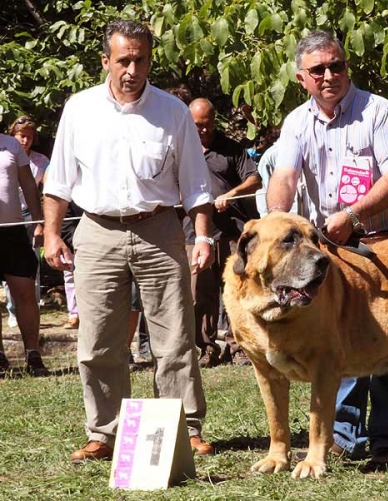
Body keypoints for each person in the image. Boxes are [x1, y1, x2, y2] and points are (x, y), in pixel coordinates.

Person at [43, 19, 215, 462]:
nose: (132, 69)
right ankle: (104, 432)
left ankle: (184, 428)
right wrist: (51, 236)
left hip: (159, 229)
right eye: (123, 60)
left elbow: (196, 184)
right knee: (98, 340)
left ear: (149, 61)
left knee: (175, 337)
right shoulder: (79, 109)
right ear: (106, 61)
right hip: (97, 231)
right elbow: (59, 182)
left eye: (140, 60)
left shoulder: (173, 111)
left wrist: (201, 237)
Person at [266, 30, 388, 469]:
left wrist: (352, 217)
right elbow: (286, 174)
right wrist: (279, 218)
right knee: (341, 338)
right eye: (319, 70)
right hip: (331, 247)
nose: (330, 75)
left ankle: (387, 440)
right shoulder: (296, 122)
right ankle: (342, 437)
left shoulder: (379, 111)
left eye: (338, 66)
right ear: (302, 78)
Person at [188, 98, 261, 367]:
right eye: (197, 125)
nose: (203, 130)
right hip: (193, 233)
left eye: (207, 125)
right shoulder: (182, 149)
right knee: (200, 294)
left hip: (232, 232)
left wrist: (231, 194)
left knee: (236, 289)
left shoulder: (230, 148)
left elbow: (254, 178)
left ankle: (239, 347)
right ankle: (206, 348)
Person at [0, 131, 49, 376]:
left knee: (25, 293)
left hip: (13, 232)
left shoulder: (10, 144)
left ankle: (33, 354)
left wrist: (39, 222)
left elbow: (29, 184)